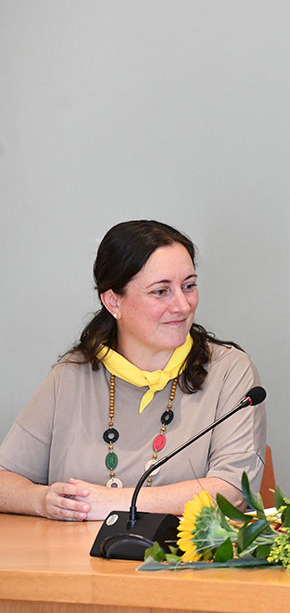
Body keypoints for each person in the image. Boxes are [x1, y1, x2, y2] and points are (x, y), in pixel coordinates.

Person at [0, 220, 266, 521]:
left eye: (188, 286)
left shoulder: (230, 371)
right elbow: (4, 478)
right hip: (74, 552)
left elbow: (230, 493)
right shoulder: (72, 374)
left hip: (181, 553)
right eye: (161, 291)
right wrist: (42, 500)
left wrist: (108, 502)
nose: (182, 305)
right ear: (113, 301)